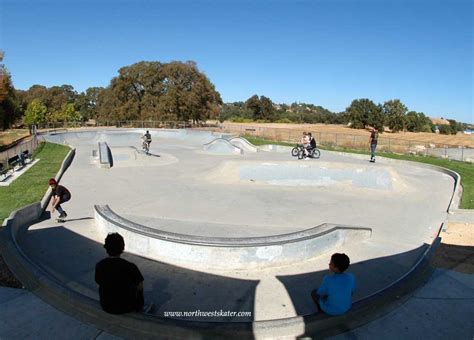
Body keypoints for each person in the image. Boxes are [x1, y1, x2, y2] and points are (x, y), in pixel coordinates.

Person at [95, 233, 153, 314]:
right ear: (122, 248)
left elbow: (98, 281)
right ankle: (139, 307)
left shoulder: (99, 265)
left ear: (106, 247)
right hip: (126, 307)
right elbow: (140, 286)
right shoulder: (130, 267)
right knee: (139, 286)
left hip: (106, 305)